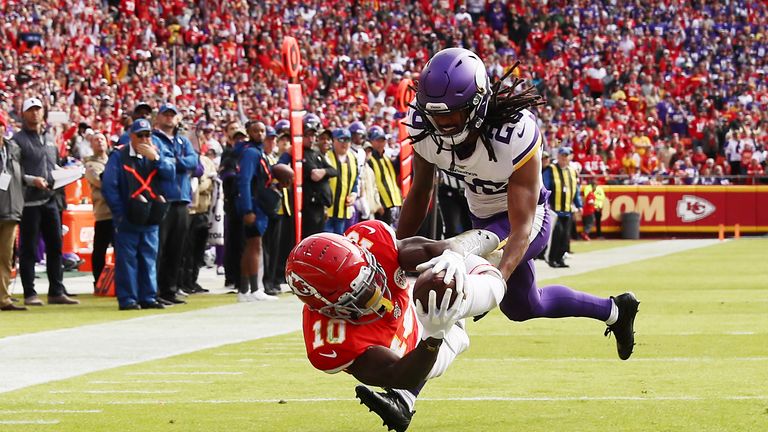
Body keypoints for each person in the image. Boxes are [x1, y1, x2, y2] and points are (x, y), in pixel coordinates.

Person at [397, 48, 639, 360]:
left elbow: (521, 227)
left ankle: (404, 393)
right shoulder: (422, 126)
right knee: (524, 307)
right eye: (435, 116)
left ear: (476, 105)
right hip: (482, 218)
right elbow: (419, 192)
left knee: (450, 284)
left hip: (526, 219)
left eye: (452, 115)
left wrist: (494, 277)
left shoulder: (513, 133)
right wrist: (395, 248)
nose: (443, 126)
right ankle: (616, 310)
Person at [286, 219, 504, 432]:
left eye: (372, 276)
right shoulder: (331, 340)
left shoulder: (370, 240)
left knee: (444, 277)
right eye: (363, 295)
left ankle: (500, 262)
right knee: (442, 297)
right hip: (412, 351)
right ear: (327, 306)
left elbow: (439, 248)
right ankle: (493, 271)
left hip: (414, 304)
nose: (378, 292)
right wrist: (434, 335)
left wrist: (457, 253)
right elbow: (401, 376)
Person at [102, 119, 174, 310]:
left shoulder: (156, 151)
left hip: (152, 214)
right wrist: (119, 214)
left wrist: (156, 159)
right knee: (127, 260)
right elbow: (110, 186)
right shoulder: (119, 156)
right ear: (131, 136)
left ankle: (148, 296)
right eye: (139, 135)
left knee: (149, 257)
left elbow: (171, 173)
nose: (144, 139)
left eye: (147, 135)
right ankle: (128, 299)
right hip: (128, 216)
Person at [13, 97, 78, 306]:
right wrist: (32, 180)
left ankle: (56, 291)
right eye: (30, 110)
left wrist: (66, 173)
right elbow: (14, 171)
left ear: (43, 112)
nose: (35, 113)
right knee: (29, 249)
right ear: (23, 114)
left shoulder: (50, 138)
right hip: (29, 202)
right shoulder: (17, 140)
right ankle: (30, 292)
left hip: (51, 199)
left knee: (55, 246)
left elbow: (54, 165)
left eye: (38, 109)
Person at [152, 103, 198, 305]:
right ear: (158, 117)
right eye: (166, 114)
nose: (169, 118)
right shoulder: (154, 139)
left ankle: (170, 289)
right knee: (160, 248)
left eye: (172, 115)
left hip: (181, 199)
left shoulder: (182, 140)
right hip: (164, 198)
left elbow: (194, 163)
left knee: (176, 248)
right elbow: (161, 164)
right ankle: (156, 290)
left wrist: (174, 162)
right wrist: (179, 163)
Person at [235, 120, 277, 302]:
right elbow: (244, 181)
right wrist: (248, 209)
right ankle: (253, 288)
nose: (260, 134)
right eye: (255, 130)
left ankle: (244, 290)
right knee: (255, 245)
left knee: (252, 245)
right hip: (254, 204)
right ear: (248, 132)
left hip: (256, 202)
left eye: (262, 130)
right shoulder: (251, 153)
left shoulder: (256, 151)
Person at [0, 115, 26, 311]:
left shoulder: (13, 150)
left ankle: (3, 298)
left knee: (5, 257)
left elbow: (19, 176)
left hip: (9, 210)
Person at [543, 147, 582, 267]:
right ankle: (552, 258)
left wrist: (579, 205)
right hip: (554, 210)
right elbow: (545, 187)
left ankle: (560, 258)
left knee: (565, 236)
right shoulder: (551, 170)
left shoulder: (572, 171)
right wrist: (545, 204)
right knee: (557, 234)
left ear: (569, 157)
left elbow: (575, 190)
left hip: (567, 210)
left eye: (566, 156)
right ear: (558, 156)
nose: (564, 158)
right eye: (562, 156)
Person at [300, 114, 337, 238]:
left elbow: (334, 171)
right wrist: (325, 171)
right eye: (307, 135)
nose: (311, 139)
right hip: (309, 204)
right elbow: (314, 175)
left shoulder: (316, 153)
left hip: (321, 204)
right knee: (310, 238)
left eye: (313, 135)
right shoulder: (301, 153)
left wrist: (324, 172)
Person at [83, 132, 113, 285]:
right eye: (96, 140)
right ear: (91, 145)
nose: (100, 142)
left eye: (102, 139)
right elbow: (100, 181)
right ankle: (99, 280)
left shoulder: (113, 160)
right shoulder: (90, 165)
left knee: (120, 248)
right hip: (103, 211)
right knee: (100, 248)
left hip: (117, 211)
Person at [325, 127, 359, 234]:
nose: (344, 143)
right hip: (327, 210)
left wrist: (353, 195)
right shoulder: (326, 156)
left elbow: (355, 181)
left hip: (343, 210)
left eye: (347, 140)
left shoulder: (353, 158)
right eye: (341, 140)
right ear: (333, 141)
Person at [367, 126, 402, 225]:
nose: (381, 143)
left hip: (391, 202)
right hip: (379, 205)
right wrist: (377, 204)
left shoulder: (386, 158)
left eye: (382, 140)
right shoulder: (369, 160)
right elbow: (369, 185)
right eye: (377, 140)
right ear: (371, 141)